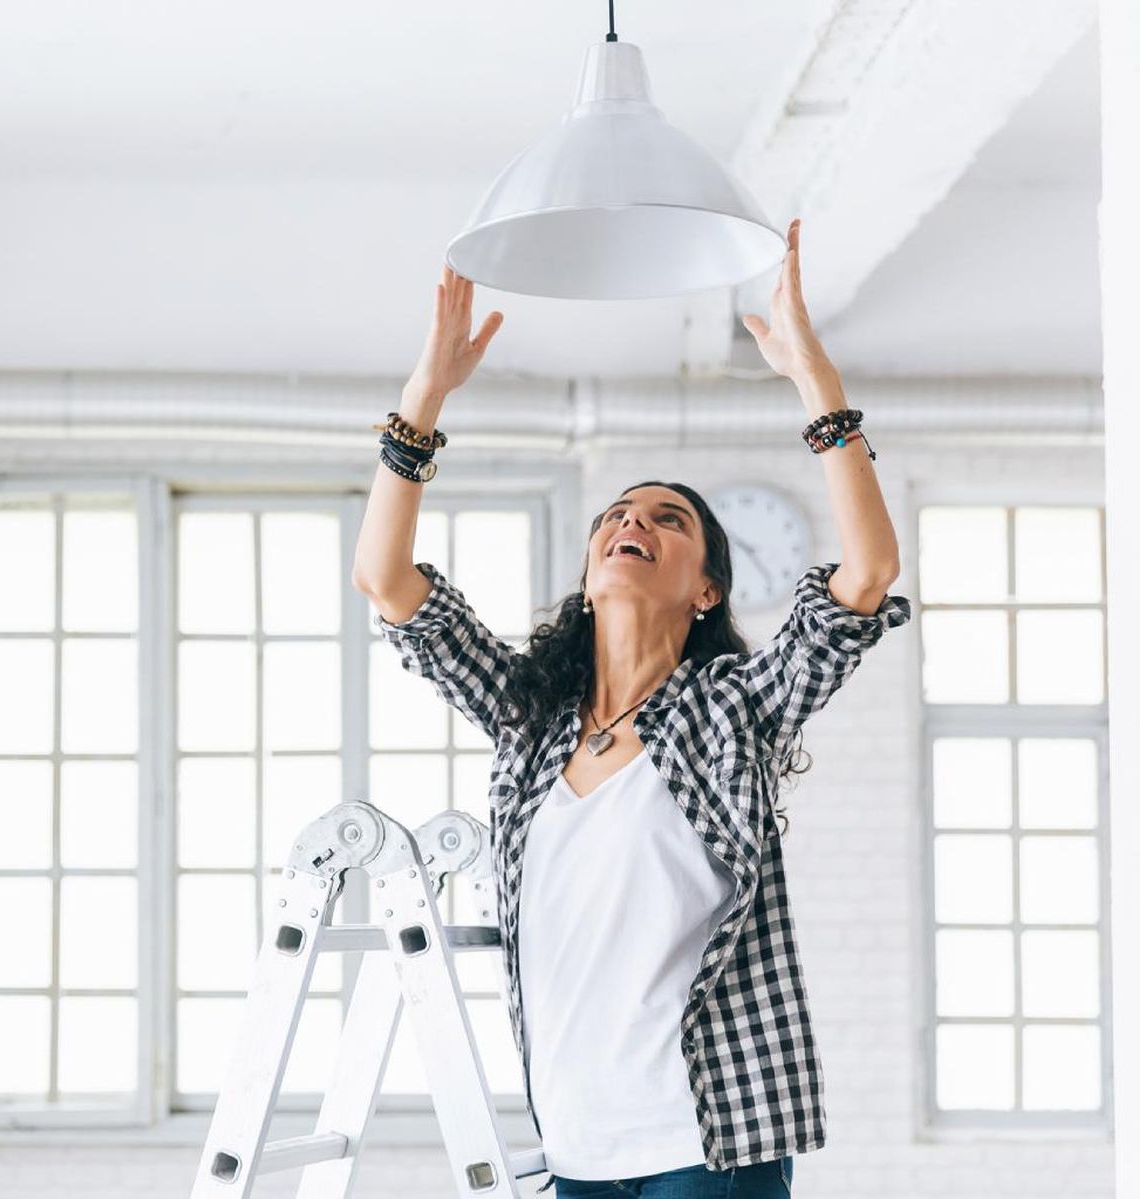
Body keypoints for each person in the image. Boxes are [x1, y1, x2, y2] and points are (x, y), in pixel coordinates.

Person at [351, 220, 912, 1198]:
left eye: (668, 517)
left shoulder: (729, 709)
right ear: (588, 569)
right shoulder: (530, 717)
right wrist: (422, 399)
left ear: (704, 589)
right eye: (618, 511)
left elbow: (864, 575)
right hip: (575, 1142)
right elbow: (386, 580)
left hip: (701, 1134)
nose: (632, 521)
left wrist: (815, 384)